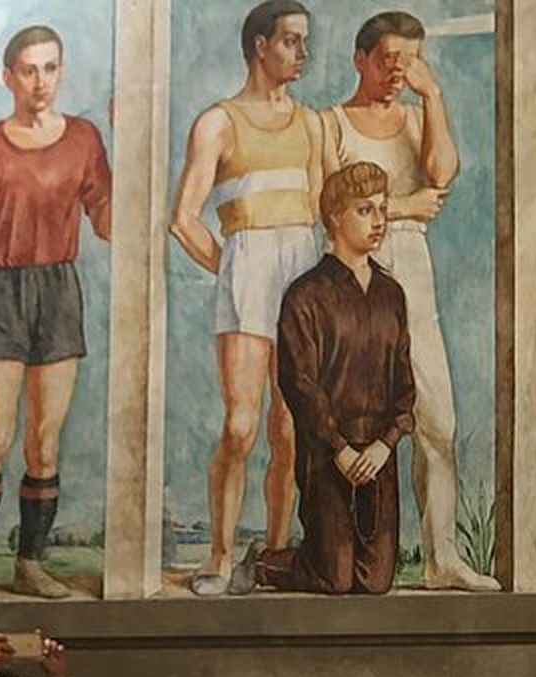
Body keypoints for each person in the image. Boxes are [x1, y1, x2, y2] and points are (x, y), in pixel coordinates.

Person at [322, 10, 499, 592]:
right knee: (353, 416)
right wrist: (402, 206)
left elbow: (442, 174)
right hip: (354, 272)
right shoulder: (333, 124)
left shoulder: (419, 116)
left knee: (437, 419)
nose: (398, 70)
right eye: (388, 58)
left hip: (412, 268)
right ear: (362, 58)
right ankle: (354, 560)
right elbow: (327, 205)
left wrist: (436, 97)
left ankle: (442, 557)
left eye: (408, 59)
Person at [169, 0, 322, 596]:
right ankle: (220, 554)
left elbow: (322, 210)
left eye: (304, 42)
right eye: (290, 41)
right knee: (240, 427)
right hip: (248, 272)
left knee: (292, 429)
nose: (301, 53)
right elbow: (184, 220)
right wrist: (233, 266)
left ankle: (277, 553)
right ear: (260, 45)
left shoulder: (310, 122)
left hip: (303, 274)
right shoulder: (219, 121)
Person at [0, 24, 112, 600]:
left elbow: (106, 222)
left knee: (44, 443)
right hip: (2, 291)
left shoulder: (82, 139)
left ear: (62, 70)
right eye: (29, 69)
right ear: (8, 77)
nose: (40, 81)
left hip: (58, 290)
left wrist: (130, 143)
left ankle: (30, 563)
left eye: (50, 68)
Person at [229, 161, 415, 595]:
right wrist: (341, 450)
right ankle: (264, 561)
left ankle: (307, 552)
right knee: (333, 579)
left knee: (374, 583)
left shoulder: (392, 295)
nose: (379, 221)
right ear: (334, 217)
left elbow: (404, 383)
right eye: (365, 210)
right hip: (327, 457)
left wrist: (386, 444)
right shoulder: (305, 295)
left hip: (379, 456)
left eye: (382, 209)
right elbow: (300, 385)